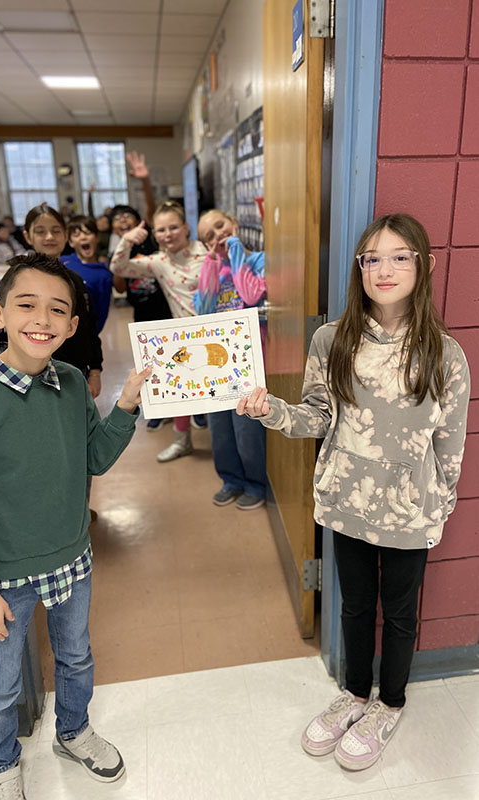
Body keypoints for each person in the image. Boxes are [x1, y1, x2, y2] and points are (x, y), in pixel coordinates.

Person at [237, 213, 470, 770]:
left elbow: (450, 444)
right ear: (359, 268)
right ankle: (355, 694)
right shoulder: (332, 339)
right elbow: (317, 417)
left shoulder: (445, 354)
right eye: (372, 258)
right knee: (355, 605)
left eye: (399, 257)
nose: (384, 269)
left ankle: (390, 702)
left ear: (423, 266)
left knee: (401, 613)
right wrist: (271, 410)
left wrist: (437, 506)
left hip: (409, 512)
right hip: (347, 503)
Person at [0, 252, 151, 799]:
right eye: (27, 304)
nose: (42, 319)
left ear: (73, 325)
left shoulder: (73, 382)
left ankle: (74, 732)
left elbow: (95, 458)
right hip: (2, 577)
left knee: (76, 657)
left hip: (72, 558)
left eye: (57, 309)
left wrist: (126, 405)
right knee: (1, 685)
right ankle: (0, 766)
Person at [111, 200, 208, 461]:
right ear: (154, 234)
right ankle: (182, 442)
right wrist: (126, 240)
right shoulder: (159, 261)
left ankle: (225, 448)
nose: (168, 234)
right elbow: (118, 268)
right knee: (180, 393)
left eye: (173, 227)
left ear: (185, 227)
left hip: (216, 333)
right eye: (161, 230)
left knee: (222, 393)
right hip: (183, 336)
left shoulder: (205, 251)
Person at [195, 209, 267, 510]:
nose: (218, 235)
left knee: (246, 428)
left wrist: (237, 251)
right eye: (209, 236)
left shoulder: (258, 260)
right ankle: (231, 479)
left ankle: (256, 484)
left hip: (248, 363)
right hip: (217, 364)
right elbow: (203, 310)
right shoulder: (212, 269)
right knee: (220, 429)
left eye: (220, 226)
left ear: (234, 224)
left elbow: (250, 295)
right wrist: (211, 264)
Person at [22, 204, 103, 399]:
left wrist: (95, 371)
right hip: (33, 375)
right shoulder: (20, 281)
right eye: (40, 231)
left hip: (76, 371)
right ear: (28, 237)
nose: (49, 237)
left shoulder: (75, 280)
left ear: (65, 235)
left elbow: (89, 326)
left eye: (56, 231)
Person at [62, 215, 113, 333]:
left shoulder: (104, 275)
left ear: (97, 237)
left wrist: (93, 334)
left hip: (86, 333)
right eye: (76, 235)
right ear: (70, 242)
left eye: (88, 233)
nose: (83, 237)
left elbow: (102, 311)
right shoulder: (62, 262)